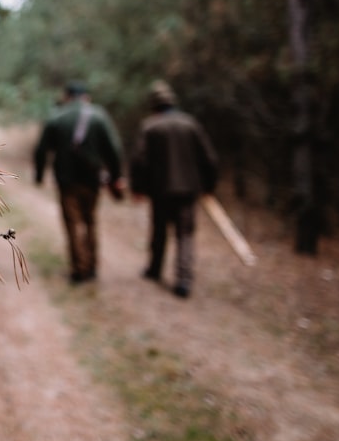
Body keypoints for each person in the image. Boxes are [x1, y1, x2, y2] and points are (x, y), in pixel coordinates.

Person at [130, 80, 219, 298]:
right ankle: (184, 280)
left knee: (159, 231)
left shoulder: (150, 126)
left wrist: (138, 188)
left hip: (160, 191)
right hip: (188, 191)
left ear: (153, 105)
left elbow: (139, 161)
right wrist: (209, 186)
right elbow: (209, 158)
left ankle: (154, 269)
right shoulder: (190, 124)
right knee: (185, 234)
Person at [34, 81, 126, 284]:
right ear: (87, 97)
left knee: (72, 224)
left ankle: (79, 269)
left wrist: (39, 176)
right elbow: (113, 149)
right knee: (90, 221)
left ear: (67, 96)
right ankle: (92, 267)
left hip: (66, 181)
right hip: (92, 180)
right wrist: (117, 176)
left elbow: (41, 150)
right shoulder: (99, 116)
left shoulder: (57, 117)